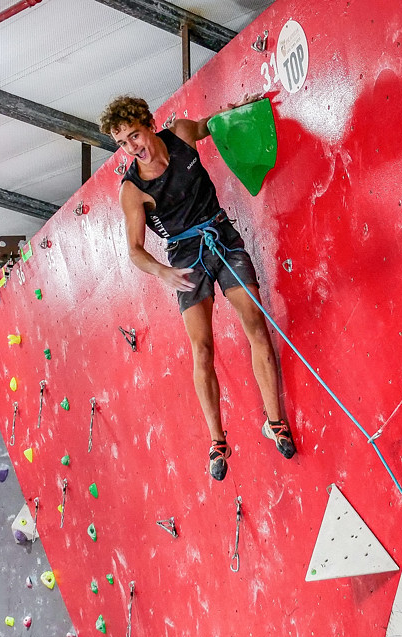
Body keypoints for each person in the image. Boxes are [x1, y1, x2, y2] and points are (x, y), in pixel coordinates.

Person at [99, 94, 296, 481]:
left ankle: (275, 421)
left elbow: (216, 124)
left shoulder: (182, 135)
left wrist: (240, 107)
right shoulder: (132, 189)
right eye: (122, 143)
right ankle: (217, 440)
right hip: (185, 256)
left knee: (255, 322)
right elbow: (136, 251)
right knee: (202, 348)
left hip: (220, 233)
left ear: (148, 123)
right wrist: (162, 272)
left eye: (133, 136)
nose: (130, 147)